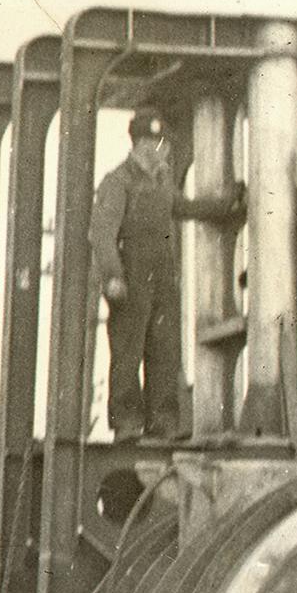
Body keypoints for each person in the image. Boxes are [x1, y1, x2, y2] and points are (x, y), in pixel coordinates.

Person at [89, 107, 181, 442]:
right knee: (128, 351)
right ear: (138, 144)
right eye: (151, 142)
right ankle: (127, 423)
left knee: (164, 349)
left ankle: (163, 422)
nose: (157, 149)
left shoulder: (160, 184)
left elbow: (182, 206)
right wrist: (113, 276)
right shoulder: (118, 182)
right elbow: (101, 234)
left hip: (162, 279)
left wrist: (225, 204)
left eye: (159, 143)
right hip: (131, 279)